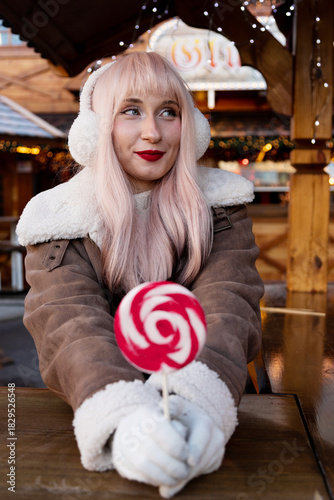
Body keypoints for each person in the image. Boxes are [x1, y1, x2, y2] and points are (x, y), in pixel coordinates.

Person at [16, 51, 263, 498]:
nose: (152, 131)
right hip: (96, 404)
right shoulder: (58, 218)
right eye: (131, 110)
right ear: (96, 130)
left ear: (189, 126)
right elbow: (68, 322)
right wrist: (123, 415)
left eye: (168, 112)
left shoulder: (222, 206)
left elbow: (230, 301)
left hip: (213, 402)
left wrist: (197, 403)